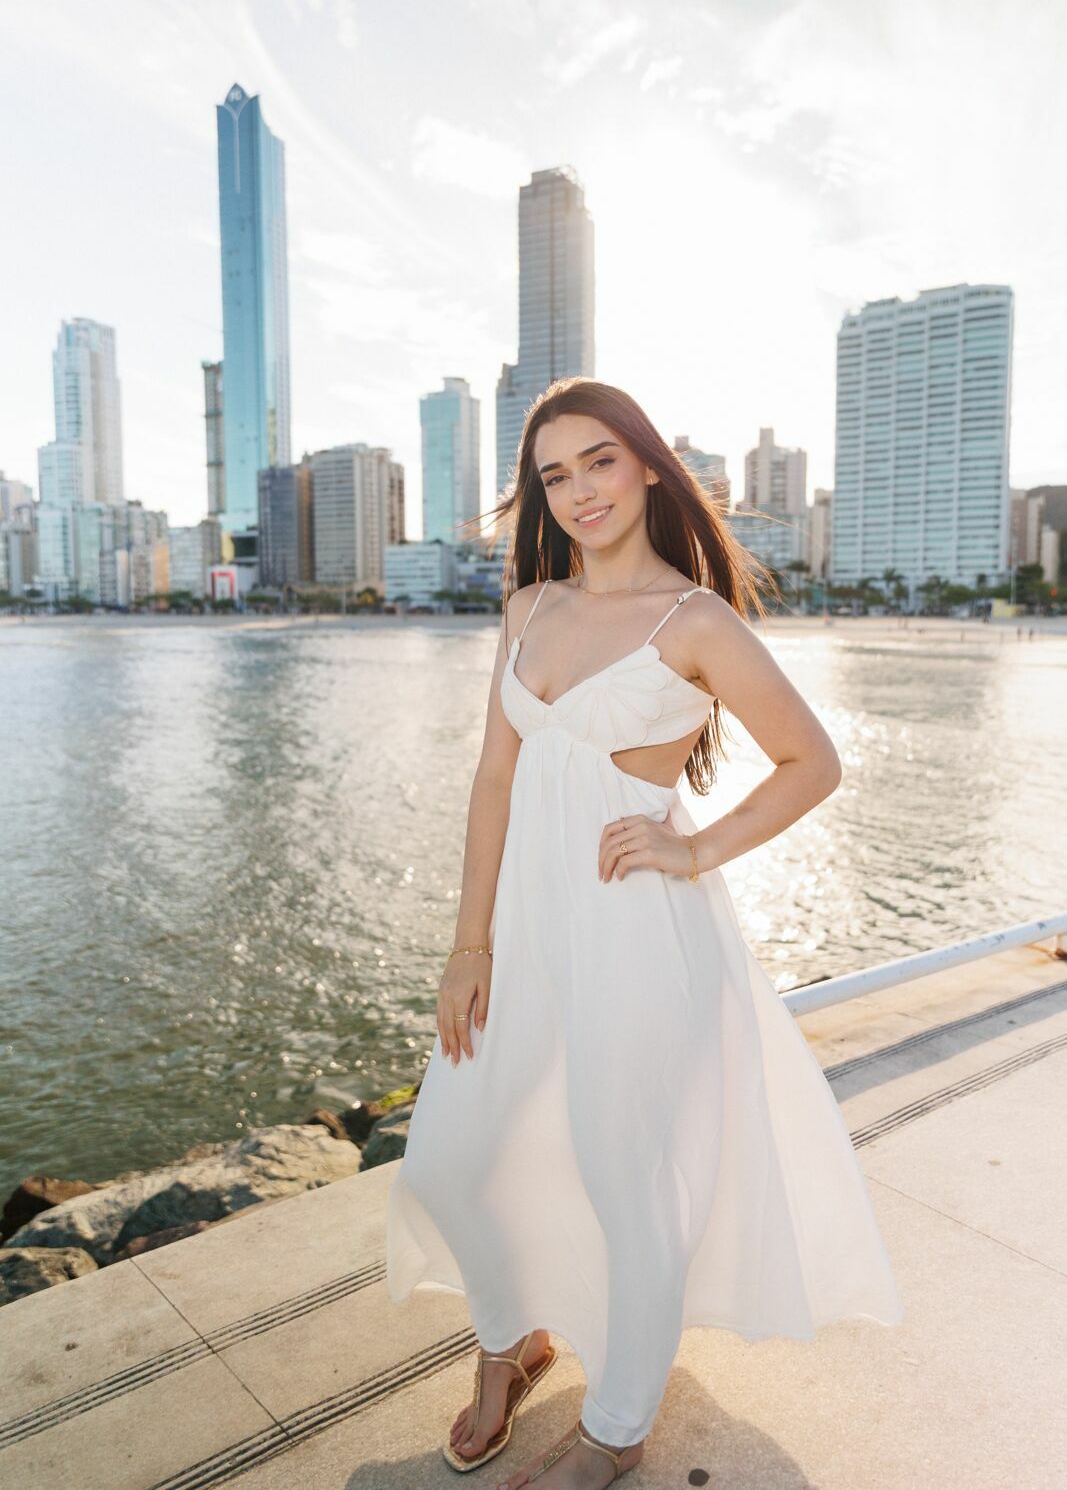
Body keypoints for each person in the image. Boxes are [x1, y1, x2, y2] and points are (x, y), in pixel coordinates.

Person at [385, 378, 904, 1488]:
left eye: (600, 461)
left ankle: (614, 1429)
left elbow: (811, 761)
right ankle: (509, 1339)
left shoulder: (694, 621)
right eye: (553, 474)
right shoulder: (528, 608)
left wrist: (694, 849)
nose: (579, 490)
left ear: (649, 467)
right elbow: (494, 780)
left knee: (628, 1185)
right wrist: (468, 944)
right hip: (522, 930)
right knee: (448, 1161)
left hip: (635, 934)